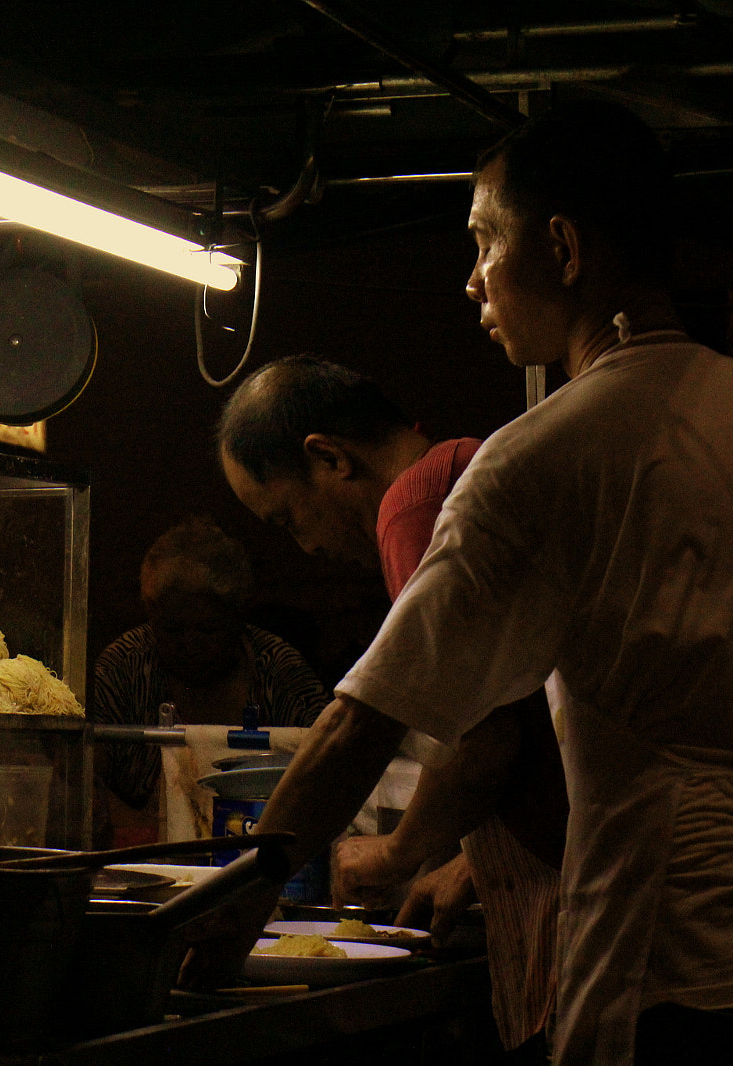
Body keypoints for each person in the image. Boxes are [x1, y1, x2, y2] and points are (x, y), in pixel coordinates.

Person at [186, 100, 733, 1066]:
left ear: (563, 248)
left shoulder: (539, 461)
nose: (472, 278)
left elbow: (366, 717)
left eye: (487, 241)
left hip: (675, 973)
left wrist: (230, 910)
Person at [215, 354, 564, 1060]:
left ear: (330, 459)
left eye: (287, 519)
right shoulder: (470, 466)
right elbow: (534, 711)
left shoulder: (416, 503)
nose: (306, 546)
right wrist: (469, 863)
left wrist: (396, 851)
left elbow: (479, 740)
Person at [89, 515, 328, 846]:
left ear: (237, 616)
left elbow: (330, 765)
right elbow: (82, 779)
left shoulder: (279, 670)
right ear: (152, 617)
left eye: (208, 629)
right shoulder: (123, 668)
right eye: (172, 630)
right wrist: (149, 830)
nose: (190, 644)